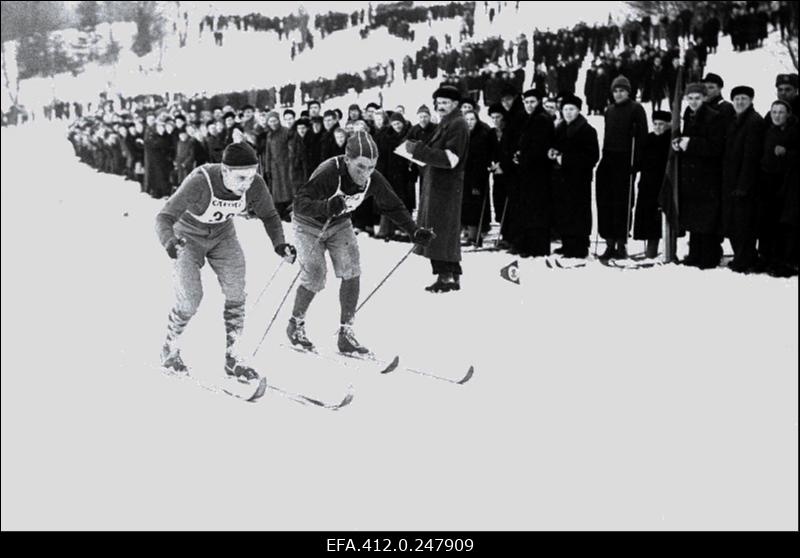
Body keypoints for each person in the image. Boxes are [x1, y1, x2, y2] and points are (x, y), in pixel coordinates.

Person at [155, 142, 296, 382]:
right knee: (191, 299)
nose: (246, 184)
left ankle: (233, 356)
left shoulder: (255, 184)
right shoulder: (201, 181)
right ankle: (170, 347)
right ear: (225, 171)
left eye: (251, 177)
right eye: (241, 178)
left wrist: (279, 244)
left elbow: (270, 216)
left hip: (222, 236)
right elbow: (164, 216)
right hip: (187, 238)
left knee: (236, 291)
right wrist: (169, 241)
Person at [287, 131, 435, 353]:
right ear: (347, 160)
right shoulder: (329, 172)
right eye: (360, 167)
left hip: (339, 225)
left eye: (371, 168)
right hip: (308, 225)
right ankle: (295, 324)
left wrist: (413, 231)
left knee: (351, 270)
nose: (366, 174)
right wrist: (325, 207)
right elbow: (299, 203)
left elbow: (392, 205)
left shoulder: (373, 179)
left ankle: (346, 333)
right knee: (316, 275)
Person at [404, 85, 470, 292]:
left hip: (446, 188)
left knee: (440, 232)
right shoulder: (448, 122)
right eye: (439, 103)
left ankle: (446, 277)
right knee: (442, 232)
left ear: (455, 104)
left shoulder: (457, 124)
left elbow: (451, 159)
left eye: (445, 103)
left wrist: (419, 151)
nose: (440, 106)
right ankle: (450, 275)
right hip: (439, 186)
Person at [673, 82, 726, 269]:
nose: (693, 102)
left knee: (707, 219)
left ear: (704, 98)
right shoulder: (688, 114)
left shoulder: (714, 117)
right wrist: (679, 143)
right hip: (692, 175)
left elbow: (716, 147)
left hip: (707, 175)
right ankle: (695, 253)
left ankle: (709, 256)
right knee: (694, 217)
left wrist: (691, 143)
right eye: (690, 98)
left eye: (697, 98)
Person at [595, 75, 648, 259]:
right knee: (606, 202)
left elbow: (642, 139)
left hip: (626, 159)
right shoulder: (609, 110)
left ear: (628, 92)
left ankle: (621, 243)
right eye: (616, 91)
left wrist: (637, 164)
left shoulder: (636, 109)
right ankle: (609, 243)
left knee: (623, 203)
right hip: (609, 158)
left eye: (622, 91)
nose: (618, 94)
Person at [548, 95, 600, 259]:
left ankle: (580, 247)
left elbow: (592, 156)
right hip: (561, 178)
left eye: (572, 109)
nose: (568, 113)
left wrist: (566, 160)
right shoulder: (560, 128)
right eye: (565, 109)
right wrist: (553, 152)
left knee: (578, 213)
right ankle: (567, 244)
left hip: (579, 179)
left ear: (578, 110)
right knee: (563, 212)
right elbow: (556, 146)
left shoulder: (587, 130)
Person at [721, 85, 765, 273]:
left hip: (745, 183)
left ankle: (744, 259)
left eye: (743, 99)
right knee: (734, 223)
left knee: (744, 224)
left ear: (751, 101)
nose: (739, 102)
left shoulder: (754, 121)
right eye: (737, 99)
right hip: (732, 180)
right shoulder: (734, 120)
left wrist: (743, 185)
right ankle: (742, 256)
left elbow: (751, 156)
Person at [633, 110, 672, 258]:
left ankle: (667, 251)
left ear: (668, 125)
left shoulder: (669, 139)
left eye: (661, 124)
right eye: (655, 124)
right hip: (647, 184)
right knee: (648, 218)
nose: (658, 127)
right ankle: (651, 250)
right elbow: (641, 160)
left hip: (662, 183)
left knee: (660, 218)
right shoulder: (649, 139)